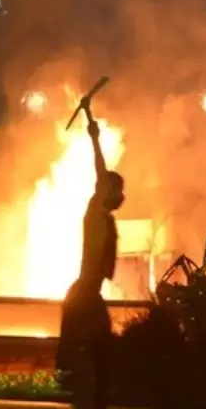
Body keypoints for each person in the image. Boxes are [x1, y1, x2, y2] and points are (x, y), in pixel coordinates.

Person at [57, 107, 124, 377]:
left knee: (88, 345)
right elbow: (100, 171)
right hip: (84, 293)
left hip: (86, 293)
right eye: (118, 189)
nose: (122, 195)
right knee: (91, 345)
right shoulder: (96, 209)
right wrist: (95, 138)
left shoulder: (104, 215)